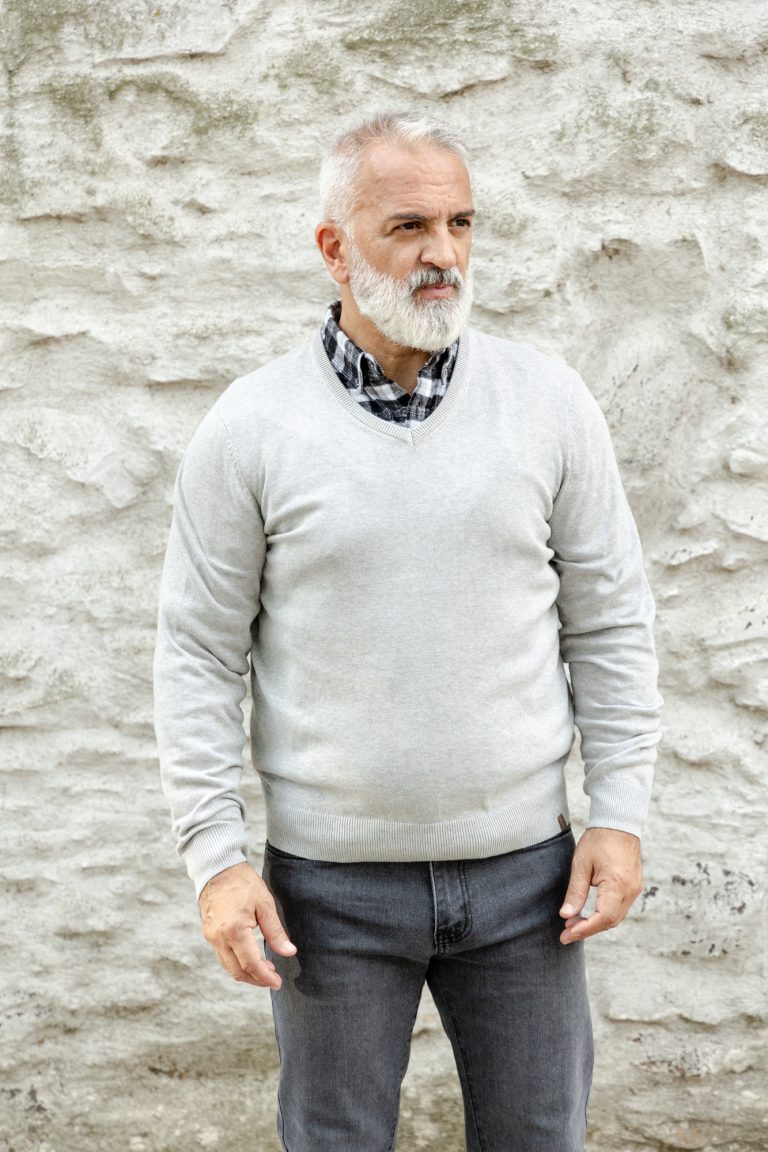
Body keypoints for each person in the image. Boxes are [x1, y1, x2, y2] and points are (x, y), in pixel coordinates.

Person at [153, 111, 663, 1152]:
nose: (444, 253)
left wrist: (618, 813)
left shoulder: (549, 403)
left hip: (528, 882)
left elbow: (610, 620)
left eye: (461, 223)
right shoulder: (251, 427)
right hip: (325, 894)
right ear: (334, 247)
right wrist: (215, 859)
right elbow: (198, 654)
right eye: (409, 226)